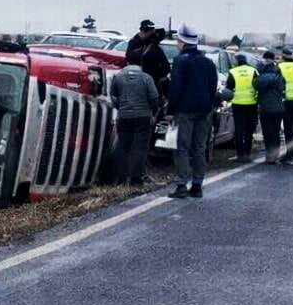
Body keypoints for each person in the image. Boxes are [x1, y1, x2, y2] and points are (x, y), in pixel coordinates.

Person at [165, 23, 218, 198]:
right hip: (204, 110)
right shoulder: (208, 62)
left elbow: (176, 87)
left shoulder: (181, 61)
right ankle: (197, 185)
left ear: (182, 41)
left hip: (185, 110)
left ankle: (181, 185)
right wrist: (209, 105)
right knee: (200, 147)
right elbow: (213, 87)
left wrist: (170, 109)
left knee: (182, 147)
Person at [109, 56, 160, 185]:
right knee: (139, 148)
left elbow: (113, 95)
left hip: (124, 116)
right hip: (142, 117)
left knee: (123, 147)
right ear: (141, 63)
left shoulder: (118, 76)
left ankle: (120, 178)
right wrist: (153, 112)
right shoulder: (146, 78)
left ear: (127, 62)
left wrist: (120, 107)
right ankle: (135, 179)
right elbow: (154, 98)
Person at [252, 51, 286, 164]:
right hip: (278, 108)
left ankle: (269, 155)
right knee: (276, 132)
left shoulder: (261, 76)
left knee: (267, 133)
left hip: (265, 108)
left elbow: (255, 86)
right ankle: (275, 155)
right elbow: (282, 89)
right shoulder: (278, 75)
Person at [225, 53, 259, 162]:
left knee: (239, 129)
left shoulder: (233, 72)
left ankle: (240, 155)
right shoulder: (253, 71)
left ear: (237, 61)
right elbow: (258, 85)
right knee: (249, 129)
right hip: (251, 104)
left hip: (238, 104)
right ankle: (247, 153)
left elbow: (228, 89)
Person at [125, 19, 171, 94]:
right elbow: (131, 59)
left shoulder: (152, 46)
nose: (152, 35)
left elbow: (165, 65)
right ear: (143, 31)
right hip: (140, 82)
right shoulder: (135, 43)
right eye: (151, 33)